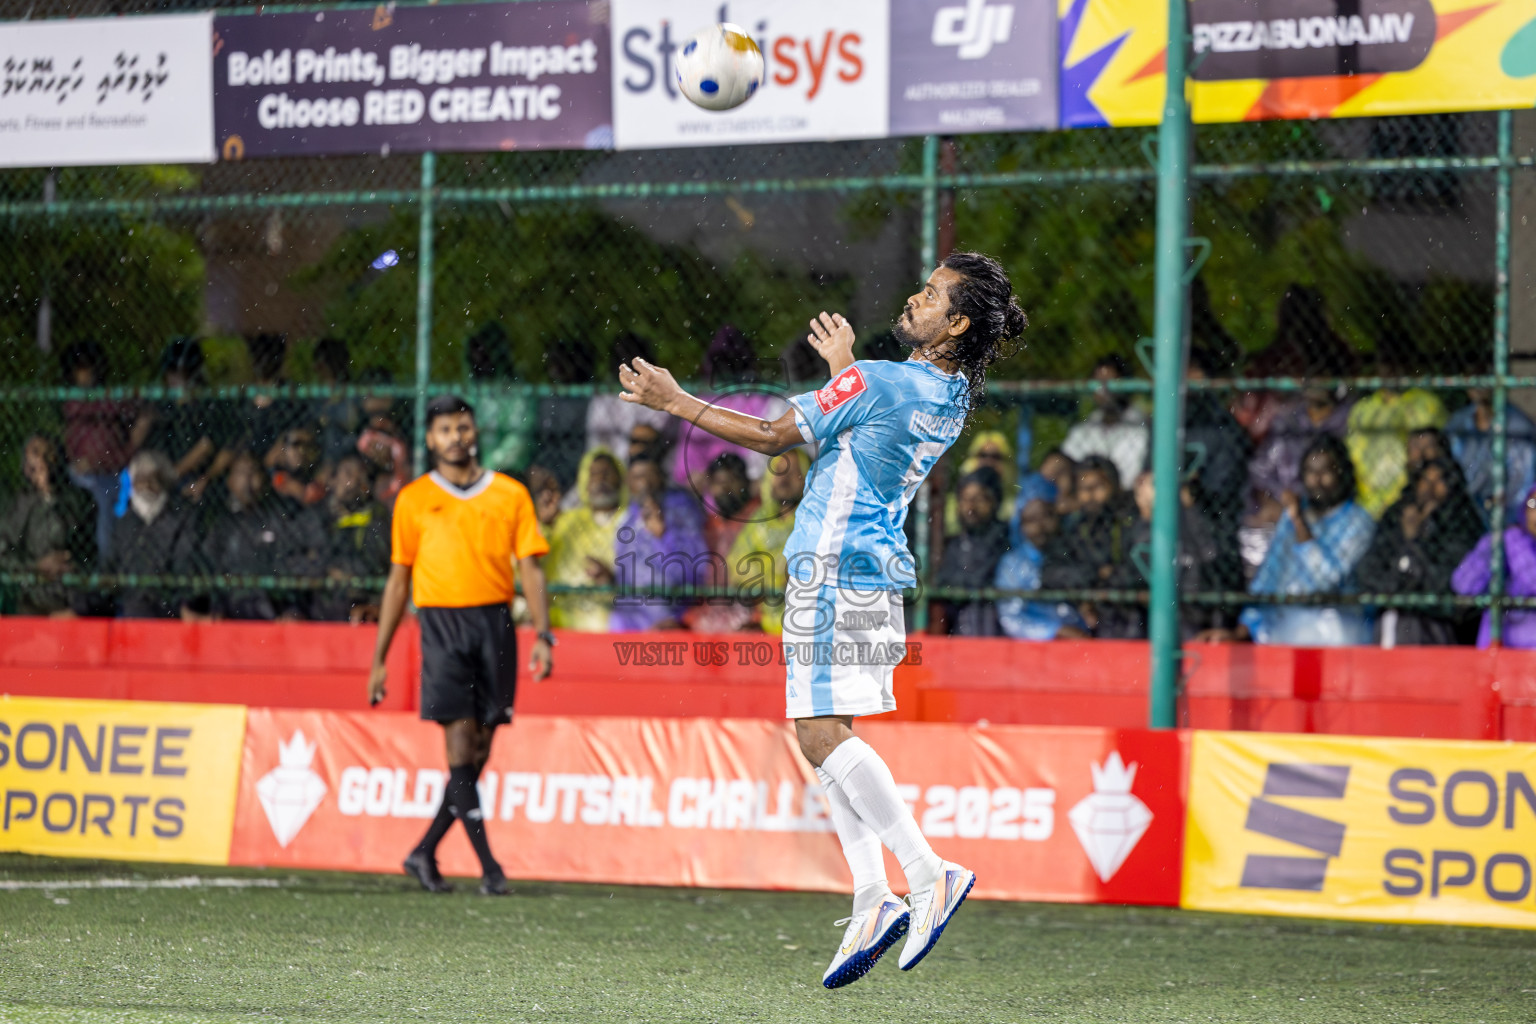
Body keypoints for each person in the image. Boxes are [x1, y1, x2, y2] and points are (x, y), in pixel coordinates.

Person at [618, 251, 1026, 986]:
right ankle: (872, 895)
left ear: (955, 323)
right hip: (876, 574)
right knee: (826, 734)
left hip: (832, 570)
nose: (913, 296)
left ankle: (927, 873)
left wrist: (674, 401)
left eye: (930, 295)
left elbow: (777, 437)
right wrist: (843, 364)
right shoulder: (952, 393)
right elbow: (865, 425)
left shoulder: (876, 381)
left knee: (816, 733)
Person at [367, 395, 553, 896]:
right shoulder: (412, 498)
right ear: (430, 440)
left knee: (480, 749)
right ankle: (490, 869)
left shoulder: (510, 495)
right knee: (459, 747)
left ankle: (424, 851)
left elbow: (531, 568)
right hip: (441, 628)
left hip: (495, 625)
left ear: (476, 433)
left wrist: (544, 634)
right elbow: (397, 580)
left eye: (463, 427)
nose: (456, 437)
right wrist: (379, 658)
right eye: (445, 429)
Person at [1198, 435, 1375, 646]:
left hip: (1336, 634)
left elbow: (1323, 581)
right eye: (1310, 472)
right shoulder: (1294, 516)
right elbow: (1268, 578)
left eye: (1326, 471)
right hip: (1284, 633)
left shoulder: (1358, 521)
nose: (1317, 480)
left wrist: (1298, 522)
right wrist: (1241, 631)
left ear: (1343, 474)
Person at [1357, 457, 1483, 647]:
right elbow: (1370, 574)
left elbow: (1448, 586)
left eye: (1440, 481)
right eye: (1425, 480)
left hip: (1443, 629)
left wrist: (1414, 541)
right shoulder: (1395, 518)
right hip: (1395, 622)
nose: (1430, 488)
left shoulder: (1463, 524)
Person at [198, 450, 321, 621]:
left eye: (253, 472)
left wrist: (290, 608)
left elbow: (292, 564)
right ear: (230, 481)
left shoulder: (279, 518)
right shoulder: (220, 523)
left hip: (272, 606)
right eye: (241, 472)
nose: (248, 479)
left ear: (264, 480)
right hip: (230, 604)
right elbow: (208, 565)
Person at [1043, 455, 1143, 639]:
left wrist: (1110, 578)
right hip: (1083, 615)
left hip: (1127, 615)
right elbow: (1051, 572)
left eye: (1098, 486)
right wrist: (1094, 575)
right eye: (1083, 488)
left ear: (1115, 487)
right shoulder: (1073, 529)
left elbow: (1135, 573)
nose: (1090, 495)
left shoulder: (1129, 524)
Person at [59, 340, 140, 559]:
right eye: (79, 369)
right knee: (94, 498)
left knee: (110, 501)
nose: (85, 375)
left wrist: (126, 452)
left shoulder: (111, 398)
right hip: (82, 473)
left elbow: (144, 413)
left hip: (110, 472)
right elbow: (69, 438)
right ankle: (90, 560)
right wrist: (78, 461)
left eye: (88, 367)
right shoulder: (72, 402)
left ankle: (108, 565)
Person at [0, 435, 98, 616]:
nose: (42, 461)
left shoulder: (79, 499)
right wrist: (35, 566)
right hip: (32, 596)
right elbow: (4, 553)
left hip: (70, 594)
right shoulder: (21, 504)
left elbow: (87, 551)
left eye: (48, 454)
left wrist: (49, 494)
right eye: (36, 455)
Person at [1346, 357, 1448, 519]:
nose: (1390, 369)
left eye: (1396, 361)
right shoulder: (1361, 409)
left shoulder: (1427, 403)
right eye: (1385, 362)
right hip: (1365, 505)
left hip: (1409, 501)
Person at [106, 450, 202, 619]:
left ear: (165, 481)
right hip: (133, 602)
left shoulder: (182, 516)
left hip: (169, 604)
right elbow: (111, 564)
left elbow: (184, 564)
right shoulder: (125, 522)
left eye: (154, 478)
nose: (147, 484)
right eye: (141, 478)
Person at [544, 449, 625, 632]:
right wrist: (545, 525)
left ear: (620, 479)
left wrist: (609, 578)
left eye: (606, 473)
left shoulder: (631, 521)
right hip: (563, 618)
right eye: (594, 474)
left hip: (613, 620)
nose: (600, 480)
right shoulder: (567, 521)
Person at [309, 453, 392, 623]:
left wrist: (344, 571)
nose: (351, 480)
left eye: (360, 475)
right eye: (346, 473)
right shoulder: (319, 517)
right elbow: (305, 557)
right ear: (332, 480)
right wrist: (326, 570)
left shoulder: (375, 519)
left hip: (359, 601)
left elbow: (376, 565)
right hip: (321, 600)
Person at [1453, 482, 1536, 649]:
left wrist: (1514, 542)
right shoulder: (1502, 541)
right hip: (1499, 655)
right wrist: (1497, 542)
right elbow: (1463, 585)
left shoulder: (1512, 542)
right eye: (1533, 504)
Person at [995, 494, 1088, 641]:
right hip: (1034, 650)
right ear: (1021, 526)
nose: (1040, 526)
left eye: (1047, 516)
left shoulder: (1073, 554)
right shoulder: (1012, 564)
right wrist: (1055, 631)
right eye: (1031, 520)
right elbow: (1010, 618)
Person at [932, 468, 1011, 636]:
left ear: (995, 502)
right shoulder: (953, 545)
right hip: (959, 639)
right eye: (966, 499)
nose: (971, 506)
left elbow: (980, 579)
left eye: (980, 499)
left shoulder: (1007, 540)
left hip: (997, 636)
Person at [1446, 388, 1536, 526]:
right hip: (1465, 514)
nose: (1478, 385)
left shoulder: (1520, 427)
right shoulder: (1458, 423)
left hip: (1508, 517)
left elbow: (1523, 483)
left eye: (1483, 372)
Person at [1060, 355, 1148, 489]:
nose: (1103, 390)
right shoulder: (1083, 430)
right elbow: (1066, 464)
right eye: (1098, 382)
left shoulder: (1141, 428)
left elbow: (1131, 480)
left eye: (1110, 382)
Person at [701, 452, 759, 565]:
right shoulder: (709, 524)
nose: (725, 488)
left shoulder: (759, 516)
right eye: (718, 482)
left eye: (731, 481)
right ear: (710, 486)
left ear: (745, 482)